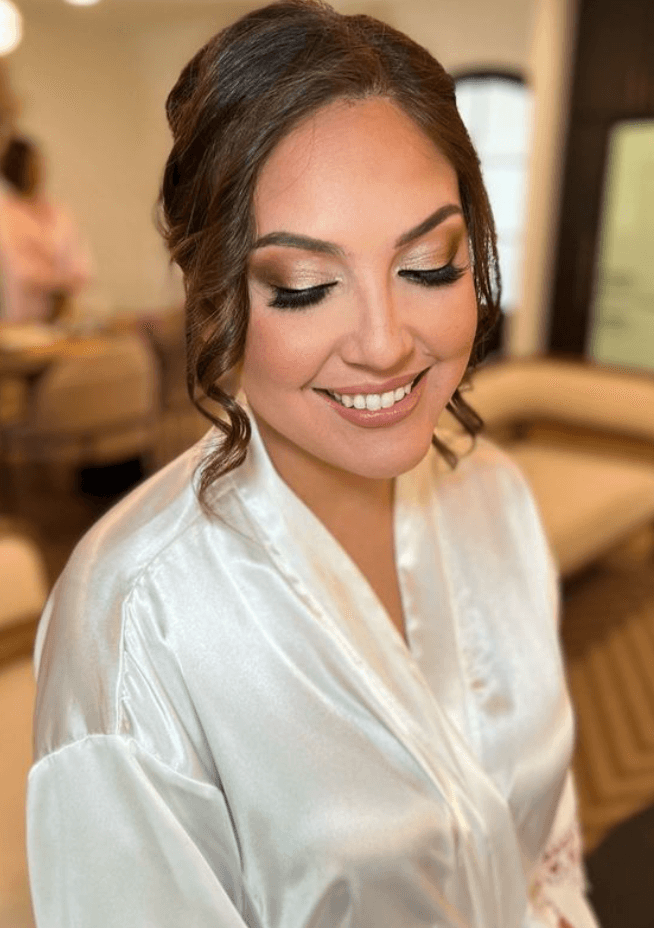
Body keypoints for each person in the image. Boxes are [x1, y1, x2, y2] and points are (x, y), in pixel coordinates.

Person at [27, 2, 600, 926]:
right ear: (214, 298)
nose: (384, 343)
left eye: (430, 266)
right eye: (305, 287)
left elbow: (544, 855)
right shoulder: (137, 623)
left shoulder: (494, 495)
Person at [0, 135, 92, 324]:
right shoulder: (6, 214)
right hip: (25, 317)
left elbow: (81, 263)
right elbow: (22, 270)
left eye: (38, 164)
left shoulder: (58, 211)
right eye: (31, 165)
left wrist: (64, 286)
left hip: (66, 316)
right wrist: (58, 285)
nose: (38, 170)